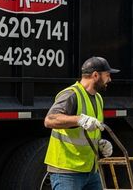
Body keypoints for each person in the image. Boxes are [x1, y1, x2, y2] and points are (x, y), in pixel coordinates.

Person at [44, 57, 118, 190]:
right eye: (107, 75)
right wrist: (80, 120)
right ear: (96, 75)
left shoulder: (98, 98)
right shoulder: (71, 94)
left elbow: (90, 130)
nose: (110, 79)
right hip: (67, 171)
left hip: (90, 170)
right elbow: (50, 120)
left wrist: (99, 144)